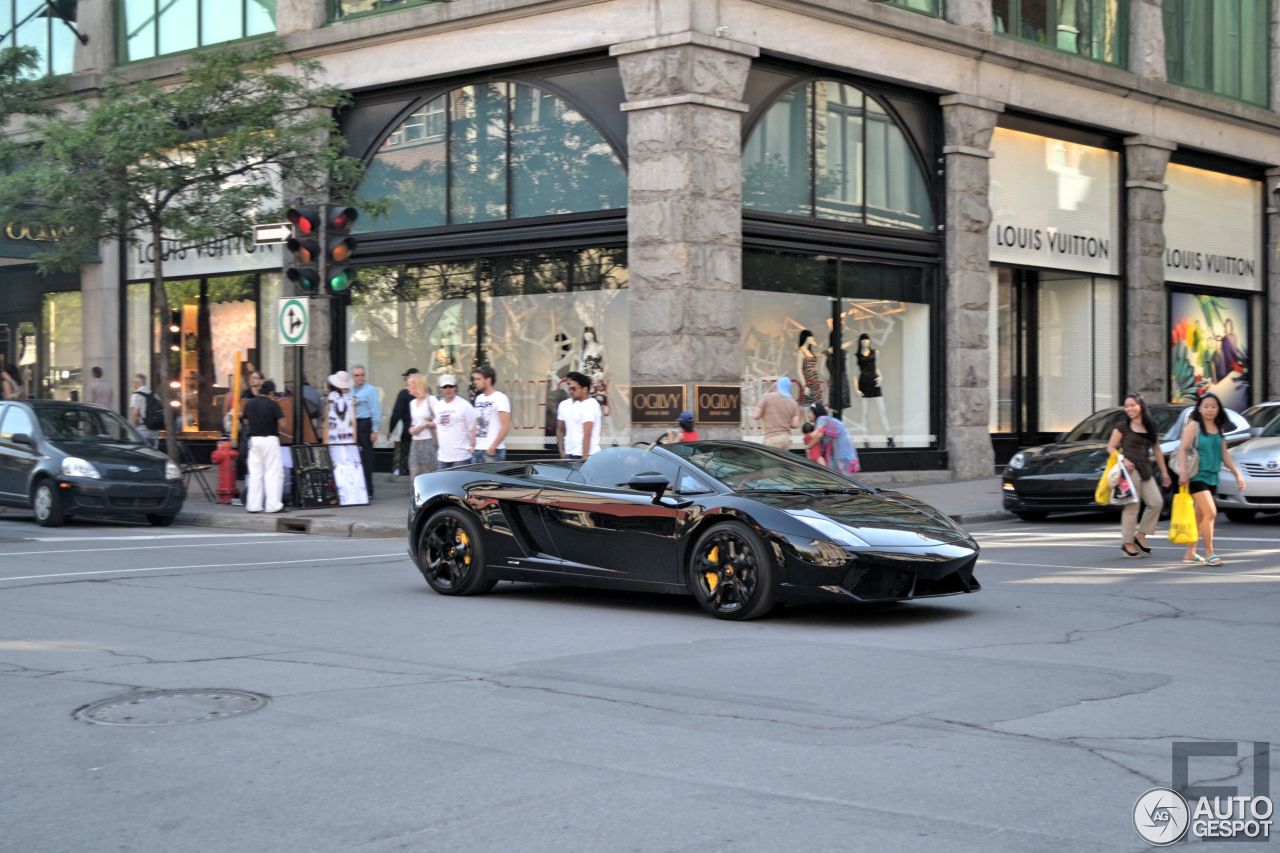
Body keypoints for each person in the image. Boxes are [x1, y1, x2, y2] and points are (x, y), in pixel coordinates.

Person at [1177, 392, 1246, 566]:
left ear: (1218, 409)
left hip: (1212, 476)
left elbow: (1224, 453)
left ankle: (1190, 553)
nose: (1209, 409)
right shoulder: (1194, 425)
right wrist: (1183, 472)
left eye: (1213, 406)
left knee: (1201, 517)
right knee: (1211, 512)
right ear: (1199, 408)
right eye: (1206, 406)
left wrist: (1237, 473)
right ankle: (1210, 553)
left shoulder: (1218, 426)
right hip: (1197, 476)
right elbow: (1183, 449)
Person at [1106, 393, 1172, 558]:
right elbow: (1111, 447)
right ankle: (1127, 543)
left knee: (1156, 503)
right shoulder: (1122, 427)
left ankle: (1140, 536)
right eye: (1126, 406)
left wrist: (1164, 473)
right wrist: (1123, 459)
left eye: (1132, 405)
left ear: (1141, 406)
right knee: (1132, 507)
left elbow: (1157, 449)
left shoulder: (1150, 427)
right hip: (1129, 472)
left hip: (1146, 470)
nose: (1129, 409)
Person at [243, 380, 287, 514]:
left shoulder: (249, 403)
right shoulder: (273, 404)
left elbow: (245, 421)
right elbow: (283, 424)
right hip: (270, 440)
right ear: (272, 392)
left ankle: (253, 505)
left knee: (255, 474)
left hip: (254, 440)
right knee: (273, 473)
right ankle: (273, 505)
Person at [349, 364, 382, 498]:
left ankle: (368, 490)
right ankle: (357, 488)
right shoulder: (351, 390)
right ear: (353, 377)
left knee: (367, 458)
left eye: (362, 375)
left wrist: (374, 429)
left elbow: (376, 410)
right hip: (353, 425)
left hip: (365, 424)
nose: (360, 378)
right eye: (357, 375)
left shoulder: (371, 390)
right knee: (354, 457)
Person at [433, 374, 476, 469]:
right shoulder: (437, 406)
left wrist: (471, 446)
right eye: (445, 387)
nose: (448, 389)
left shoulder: (465, 405)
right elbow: (436, 428)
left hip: (461, 457)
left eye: (450, 386)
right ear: (441, 389)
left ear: (455, 388)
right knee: (442, 483)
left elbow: (474, 427)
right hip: (442, 457)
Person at [556, 371, 602, 461]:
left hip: (589, 455)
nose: (570, 391)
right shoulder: (564, 405)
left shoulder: (591, 404)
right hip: (569, 454)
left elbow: (587, 433)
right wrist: (562, 452)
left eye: (574, 388)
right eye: (569, 388)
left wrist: (584, 458)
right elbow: (560, 430)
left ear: (584, 389)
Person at [471, 364, 512, 463]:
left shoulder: (500, 398)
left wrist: (493, 447)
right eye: (474, 379)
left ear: (488, 380)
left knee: (489, 479)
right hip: (478, 449)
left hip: (492, 451)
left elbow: (506, 426)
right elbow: (476, 423)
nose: (475, 382)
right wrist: (471, 444)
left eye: (478, 379)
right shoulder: (479, 398)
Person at [807, 403, 859, 475]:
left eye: (810, 412)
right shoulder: (824, 419)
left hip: (840, 447)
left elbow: (818, 436)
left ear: (815, 412)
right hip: (841, 446)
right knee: (838, 472)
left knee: (841, 474)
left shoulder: (821, 419)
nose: (808, 414)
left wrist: (808, 445)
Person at [753, 376, 801, 450]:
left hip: (771, 438)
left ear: (777, 385)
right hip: (785, 438)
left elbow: (756, 416)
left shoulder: (766, 397)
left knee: (769, 461)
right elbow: (795, 425)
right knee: (783, 460)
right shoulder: (793, 403)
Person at [405, 372, 438, 478]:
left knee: (428, 473)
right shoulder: (412, 403)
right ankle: (416, 495)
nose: (407, 388)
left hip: (429, 442)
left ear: (417, 385)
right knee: (415, 474)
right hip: (415, 443)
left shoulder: (431, 400)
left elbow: (440, 421)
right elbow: (414, 422)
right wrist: (411, 429)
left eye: (409, 385)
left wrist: (425, 425)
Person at [388, 368, 419, 475]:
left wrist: (390, 430)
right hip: (422, 431)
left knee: (406, 453)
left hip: (408, 429)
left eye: (407, 378)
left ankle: (406, 471)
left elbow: (397, 413)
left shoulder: (404, 393)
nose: (406, 380)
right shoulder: (426, 393)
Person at [324, 371, 356, 444]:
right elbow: (327, 419)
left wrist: (354, 440)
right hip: (333, 436)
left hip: (347, 436)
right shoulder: (331, 397)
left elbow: (354, 422)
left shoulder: (351, 399)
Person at [128, 373, 159, 448]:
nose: (133, 385)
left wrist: (134, 429)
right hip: (154, 433)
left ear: (138, 383)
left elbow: (135, 414)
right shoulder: (154, 395)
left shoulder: (136, 395)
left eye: (134, 382)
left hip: (142, 432)